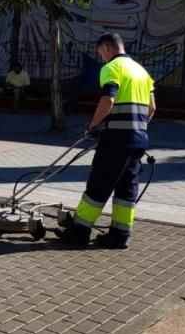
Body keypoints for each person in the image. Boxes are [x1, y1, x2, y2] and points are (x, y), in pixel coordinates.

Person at [55, 33, 155, 249]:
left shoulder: (112, 68)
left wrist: (93, 125)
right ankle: (119, 235)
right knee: (127, 188)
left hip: (115, 141)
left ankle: (79, 232)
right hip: (138, 142)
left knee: (99, 184)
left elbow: (108, 98)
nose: (101, 58)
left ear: (107, 48)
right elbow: (152, 108)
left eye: (101, 53)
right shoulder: (141, 71)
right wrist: (136, 127)